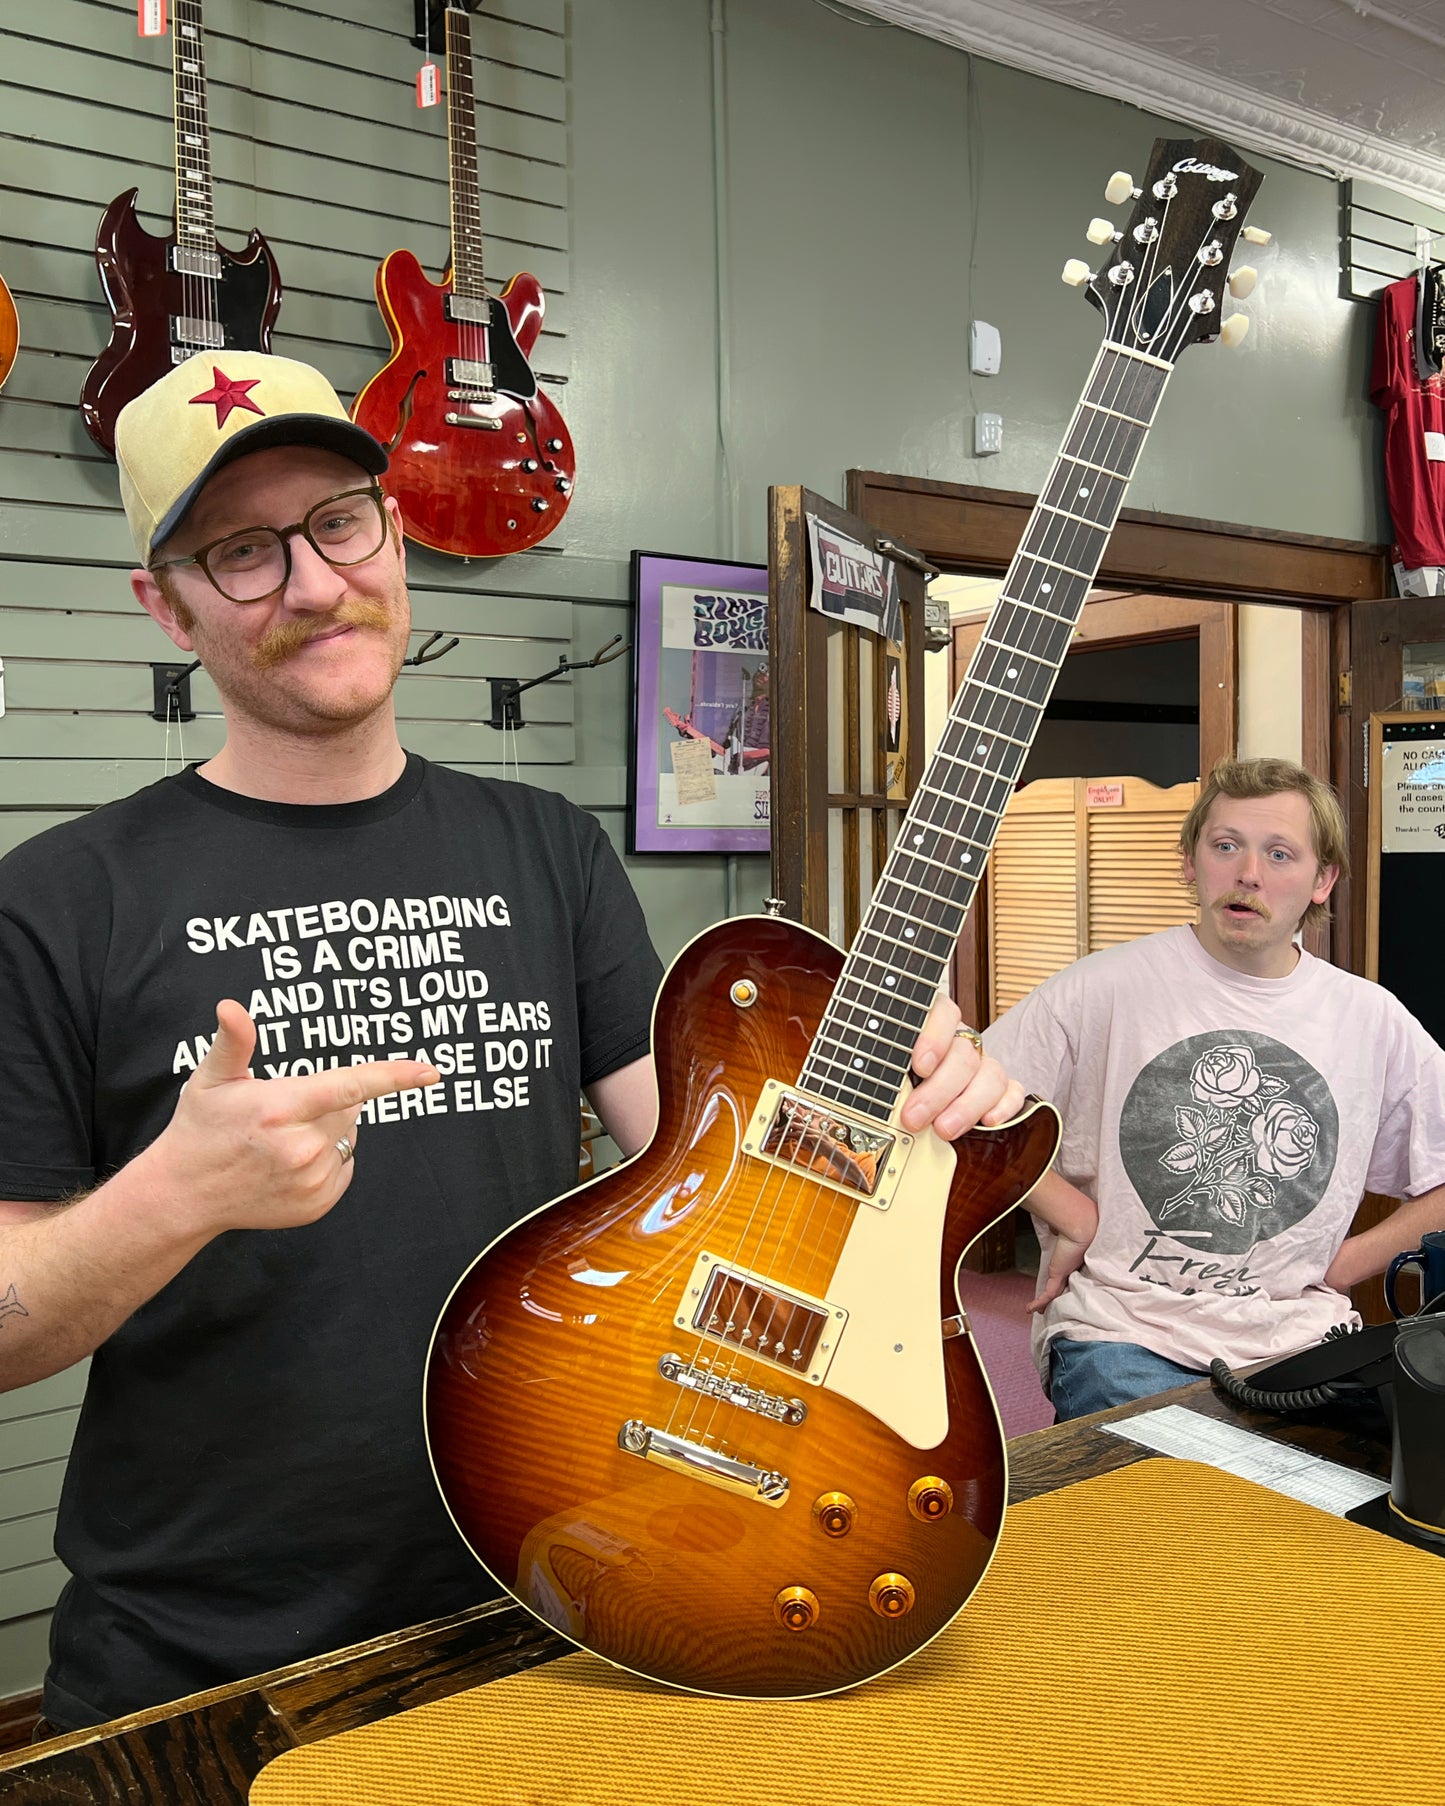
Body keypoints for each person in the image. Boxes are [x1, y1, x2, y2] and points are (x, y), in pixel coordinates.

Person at [0, 350, 1032, 1731]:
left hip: (564, 1589)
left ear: (395, 531)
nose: (313, 583)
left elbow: (714, 1174)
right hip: (209, 1658)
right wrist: (169, 1196)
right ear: (165, 604)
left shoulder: (543, 847)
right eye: (241, 552)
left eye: (337, 522)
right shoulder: (60, 900)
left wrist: (911, 1106)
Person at [985, 756, 1445, 1422]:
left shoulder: (1368, 1018)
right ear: (1189, 863)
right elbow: (962, 1106)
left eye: (1279, 854)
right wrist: (1067, 1208)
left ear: (1322, 881)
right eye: (1225, 846)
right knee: (1166, 1501)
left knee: (1384, 1494)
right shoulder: (1102, 987)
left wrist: (1345, 1265)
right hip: (1123, 1331)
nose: (1247, 873)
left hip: (1299, 1337)